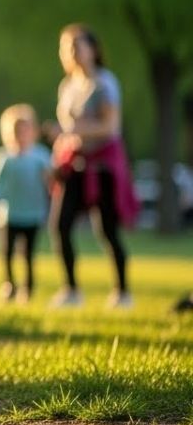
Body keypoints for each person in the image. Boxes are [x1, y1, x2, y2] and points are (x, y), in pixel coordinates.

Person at [46, 23, 139, 309]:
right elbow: (68, 131)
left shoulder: (105, 83)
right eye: (65, 47)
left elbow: (110, 127)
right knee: (60, 225)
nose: (71, 52)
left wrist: (74, 131)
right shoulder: (68, 86)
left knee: (107, 229)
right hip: (74, 163)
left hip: (103, 166)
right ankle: (71, 290)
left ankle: (122, 292)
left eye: (76, 45)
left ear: (93, 49)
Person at [0, 104, 52, 305]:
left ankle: (28, 288)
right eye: (15, 131)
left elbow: (52, 183)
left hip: (33, 214)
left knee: (28, 255)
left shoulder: (41, 156)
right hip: (8, 215)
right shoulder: (4, 157)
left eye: (24, 130)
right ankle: (9, 284)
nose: (20, 135)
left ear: (33, 131)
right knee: (6, 252)